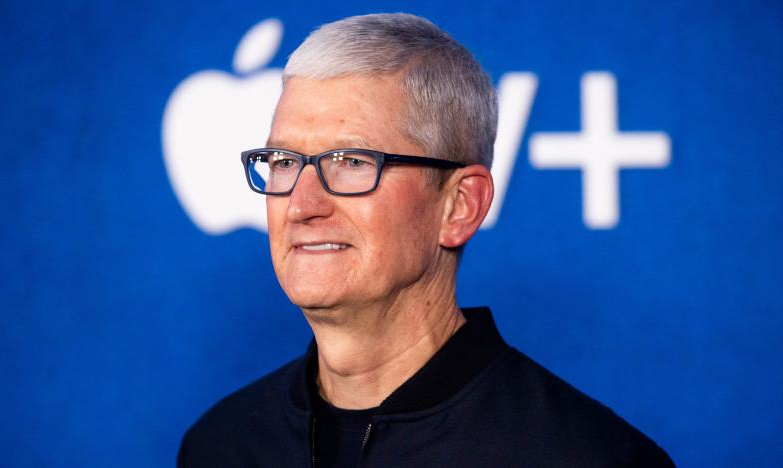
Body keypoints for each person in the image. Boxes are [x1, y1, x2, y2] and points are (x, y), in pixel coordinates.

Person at [177, 13, 673, 467]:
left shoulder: (590, 458)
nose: (303, 205)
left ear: (459, 206)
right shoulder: (221, 445)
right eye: (285, 161)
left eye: (352, 162)